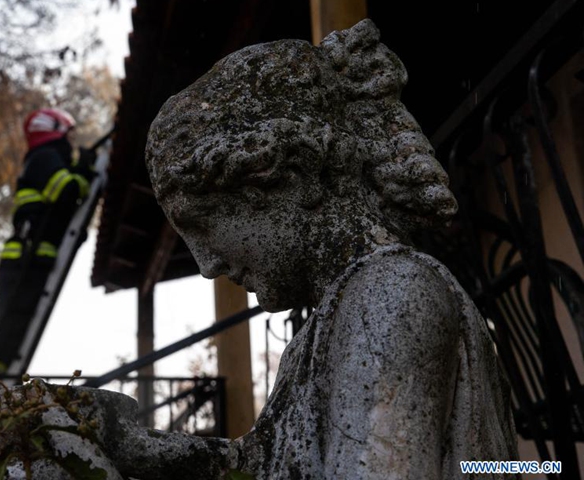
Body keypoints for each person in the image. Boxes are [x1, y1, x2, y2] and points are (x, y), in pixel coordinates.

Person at [25, 20, 515, 480]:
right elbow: (263, 462)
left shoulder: (391, 297)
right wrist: (134, 446)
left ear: (289, 178)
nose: (206, 264)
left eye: (203, 226)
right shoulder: (322, 330)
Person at [0, 107, 96, 414]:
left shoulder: (41, 158)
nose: (71, 144)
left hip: (24, 264)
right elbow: (66, 191)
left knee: (9, 337)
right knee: (8, 339)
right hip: (24, 265)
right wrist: (83, 171)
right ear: (53, 131)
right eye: (67, 136)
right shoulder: (45, 158)